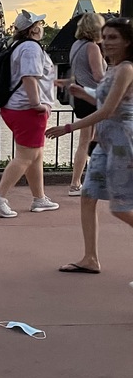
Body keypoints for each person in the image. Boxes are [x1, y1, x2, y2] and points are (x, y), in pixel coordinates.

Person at [46, 18, 133, 287]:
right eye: (104, 37)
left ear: (128, 41)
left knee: (120, 207)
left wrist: (69, 127)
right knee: (88, 195)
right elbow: (105, 101)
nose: (106, 42)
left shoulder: (126, 69)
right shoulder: (113, 68)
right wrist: (82, 93)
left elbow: (109, 110)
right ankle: (90, 258)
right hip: (105, 140)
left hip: (122, 140)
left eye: (113, 38)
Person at [0, 9, 60, 217]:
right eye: (41, 25)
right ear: (34, 28)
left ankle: (39, 198)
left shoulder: (18, 46)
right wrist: (38, 104)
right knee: (25, 157)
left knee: (35, 155)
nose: (42, 28)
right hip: (27, 110)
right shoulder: (31, 48)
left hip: (15, 107)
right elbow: (30, 77)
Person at [58, 13, 106, 195]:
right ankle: (78, 182)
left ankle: (80, 181)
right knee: (91, 140)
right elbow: (98, 76)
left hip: (80, 97)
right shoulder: (92, 47)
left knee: (88, 140)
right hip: (92, 96)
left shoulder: (76, 45)